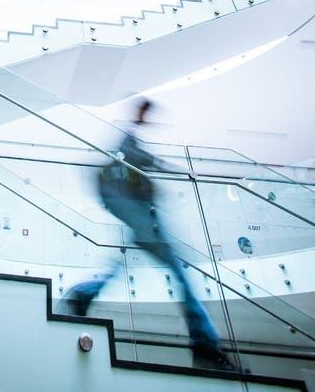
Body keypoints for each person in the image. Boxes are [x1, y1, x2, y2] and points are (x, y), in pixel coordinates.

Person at [61, 99, 237, 372]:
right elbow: (136, 160)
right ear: (139, 113)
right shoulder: (127, 141)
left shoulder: (130, 142)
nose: (147, 118)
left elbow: (140, 164)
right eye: (145, 113)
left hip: (143, 219)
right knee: (180, 276)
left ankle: (83, 296)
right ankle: (205, 344)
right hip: (146, 221)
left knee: (128, 268)